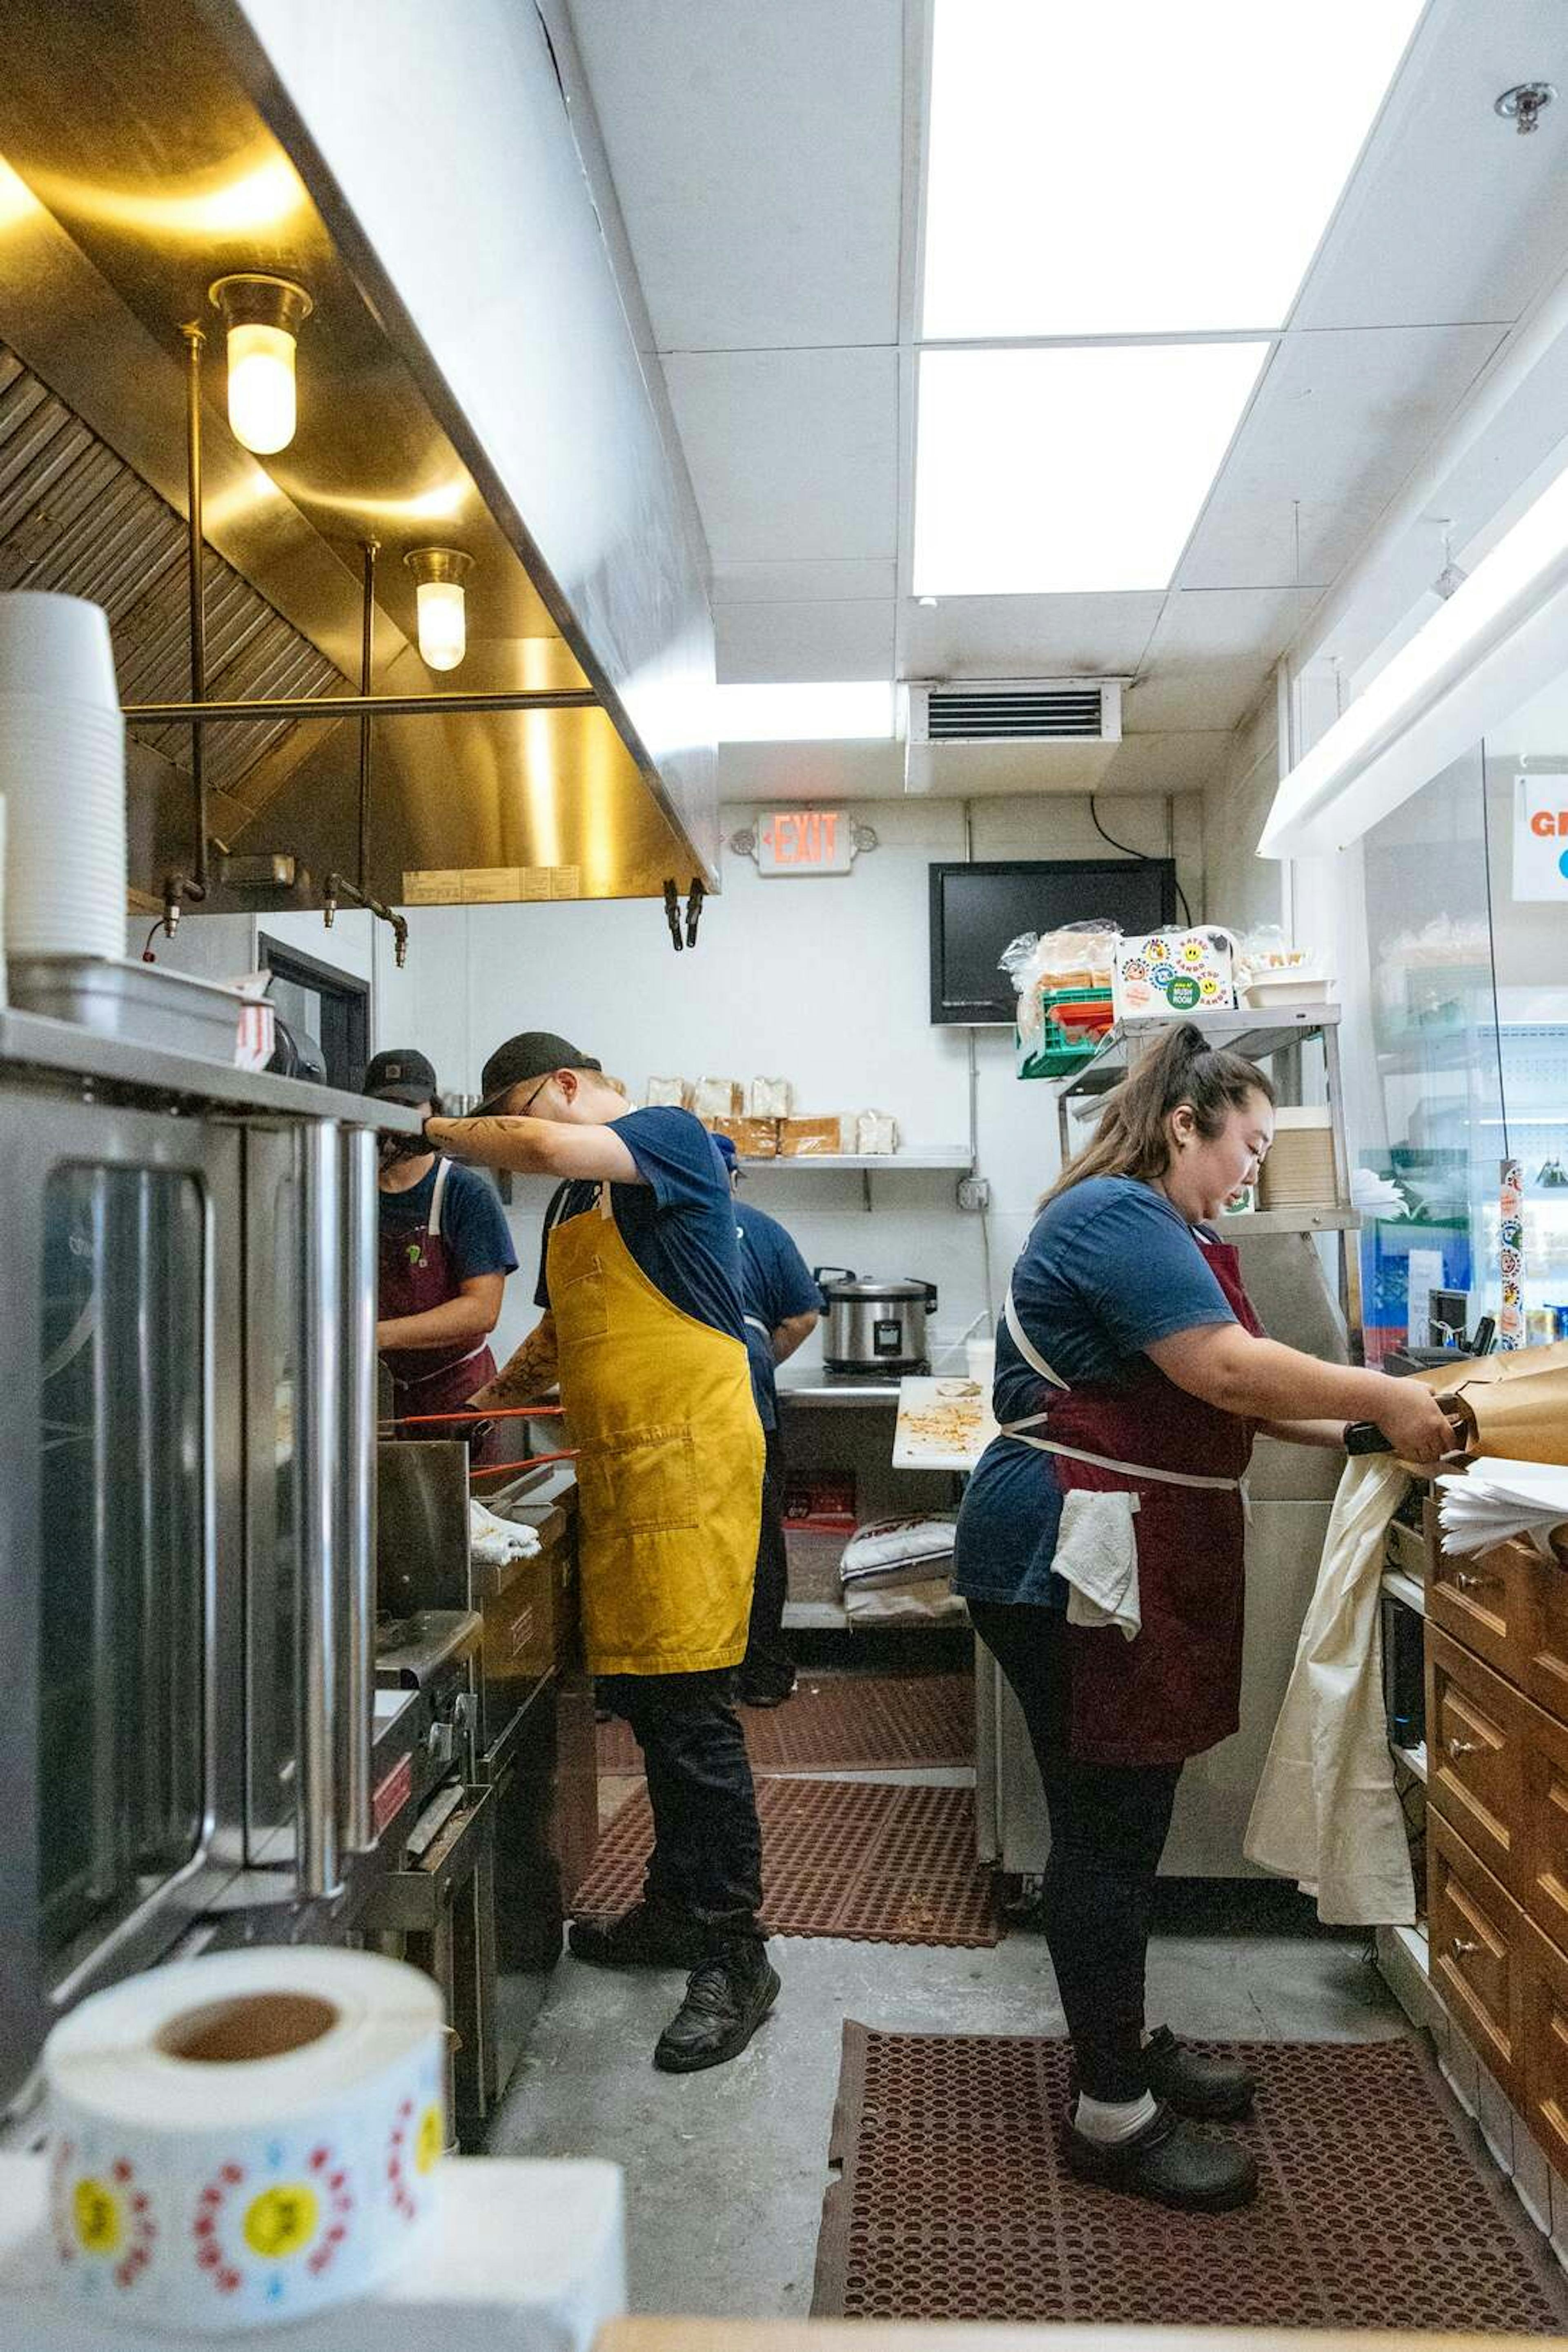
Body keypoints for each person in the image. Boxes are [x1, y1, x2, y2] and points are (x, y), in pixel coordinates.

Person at [952, 1022, 1454, 2216]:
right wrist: (1388, 1393)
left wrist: (1364, 1429)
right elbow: (1226, 1372)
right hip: (1063, 1548)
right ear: (1185, 1124)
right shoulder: (1114, 1219)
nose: (1252, 1169)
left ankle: (1122, 2042)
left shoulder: (1167, 1227)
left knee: (1126, 1820)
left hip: (1111, 1542)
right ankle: (1107, 2112)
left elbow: (1234, 1391)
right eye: (1248, 1144)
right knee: (1105, 1830)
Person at [429, 1033, 778, 2074]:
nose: (520, 1145)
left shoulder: (661, 1137)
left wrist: (418, 1130)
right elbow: (554, 1332)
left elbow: (535, 1142)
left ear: (569, 1085)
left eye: (523, 1115)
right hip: (620, 1474)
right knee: (656, 1711)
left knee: (697, 1718)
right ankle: (676, 1910)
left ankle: (736, 1953)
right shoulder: (571, 1208)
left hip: (693, 1465)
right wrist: (480, 1408)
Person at [365, 1048, 518, 1465]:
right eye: (384, 1108)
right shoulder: (348, 1190)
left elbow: (481, 1310)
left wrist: (376, 1336)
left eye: (408, 1108)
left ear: (433, 1112)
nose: (397, 1123)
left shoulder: (464, 1194)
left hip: (457, 1398)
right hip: (374, 1400)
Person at [711, 1133, 822, 1706]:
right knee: (757, 1539)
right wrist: (761, 1361)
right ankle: (764, 1674)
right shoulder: (760, 1227)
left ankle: (702, 1678)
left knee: (695, 1544)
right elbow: (804, 1314)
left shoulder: (658, 1226)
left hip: (678, 1407)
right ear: (733, 1177)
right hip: (748, 1403)